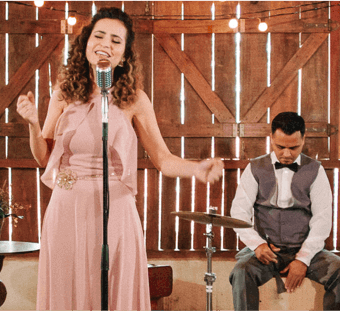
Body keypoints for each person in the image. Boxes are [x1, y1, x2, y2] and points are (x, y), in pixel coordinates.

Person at [15, 7, 224, 310]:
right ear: (85, 43)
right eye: (99, 36)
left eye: (116, 40)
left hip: (115, 208)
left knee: (112, 290)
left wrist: (197, 168)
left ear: (124, 55)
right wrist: (34, 123)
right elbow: (43, 156)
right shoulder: (63, 93)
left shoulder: (135, 99)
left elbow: (163, 159)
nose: (105, 44)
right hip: (67, 206)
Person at [229, 112, 340, 311]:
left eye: (293, 147)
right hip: (267, 251)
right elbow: (239, 214)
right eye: (280, 147)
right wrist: (258, 245)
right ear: (271, 139)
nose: (287, 154)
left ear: (303, 140)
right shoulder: (254, 168)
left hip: (305, 249)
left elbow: (322, 220)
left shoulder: (316, 170)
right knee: (241, 272)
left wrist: (303, 259)